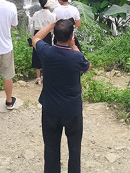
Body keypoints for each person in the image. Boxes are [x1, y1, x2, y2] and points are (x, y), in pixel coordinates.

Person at [32, 18, 91, 173]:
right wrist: (74, 46)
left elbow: (36, 38)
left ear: (54, 35)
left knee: (51, 147)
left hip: (50, 109)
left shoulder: (47, 52)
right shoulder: (76, 57)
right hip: (72, 110)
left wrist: (51, 25)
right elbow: (88, 66)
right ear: (72, 36)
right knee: (74, 147)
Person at [31, 0, 56, 84]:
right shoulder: (52, 15)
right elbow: (53, 29)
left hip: (37, 34)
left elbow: (33, 27)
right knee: (47, 55)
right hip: (47, 35)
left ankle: (38, 77)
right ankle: (45, 76)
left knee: (37, 54)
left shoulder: (36, 14)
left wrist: (32, 37)